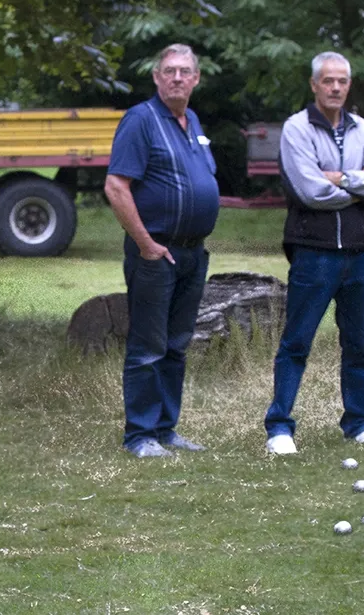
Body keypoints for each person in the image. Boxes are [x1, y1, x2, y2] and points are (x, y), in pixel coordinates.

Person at [263, 51, 364, 455]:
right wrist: (360, 185)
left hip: (359, 252)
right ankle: (280, 428)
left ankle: (358, 423)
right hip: (314, 252)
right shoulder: (296, 129)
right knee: (296, 342)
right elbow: (311, 191)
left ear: (348, 86)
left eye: (342, 81)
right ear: (314, 85)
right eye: (327, 81)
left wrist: (341, 178)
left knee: (357, 343)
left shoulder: (362, 129)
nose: (335, 87)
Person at [104, 43, 221, 458]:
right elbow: (116, 187)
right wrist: (146, 245)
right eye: (168, 71)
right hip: (156, 253)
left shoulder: (192, 121)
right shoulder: (141, 120)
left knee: (176, 344)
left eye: (184, 71)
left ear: (195, 79)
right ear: (156, 77)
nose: (176, 77)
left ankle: (166, 429)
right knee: (148, 346)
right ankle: (140, 436)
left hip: (192, 253)